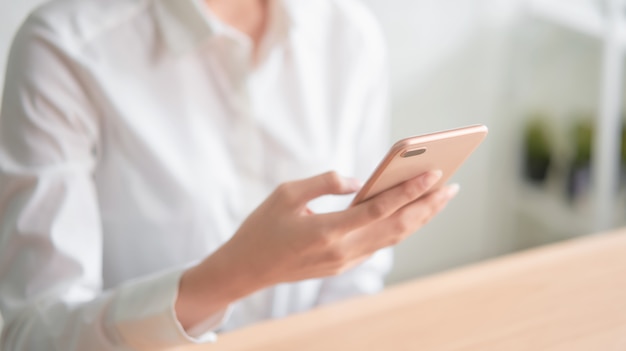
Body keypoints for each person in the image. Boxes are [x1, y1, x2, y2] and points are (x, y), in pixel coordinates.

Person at [0, 0, 458, 349]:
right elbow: (31, 334)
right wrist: (235, 274)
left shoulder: (347, 32)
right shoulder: (67, 46)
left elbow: (355, 280)